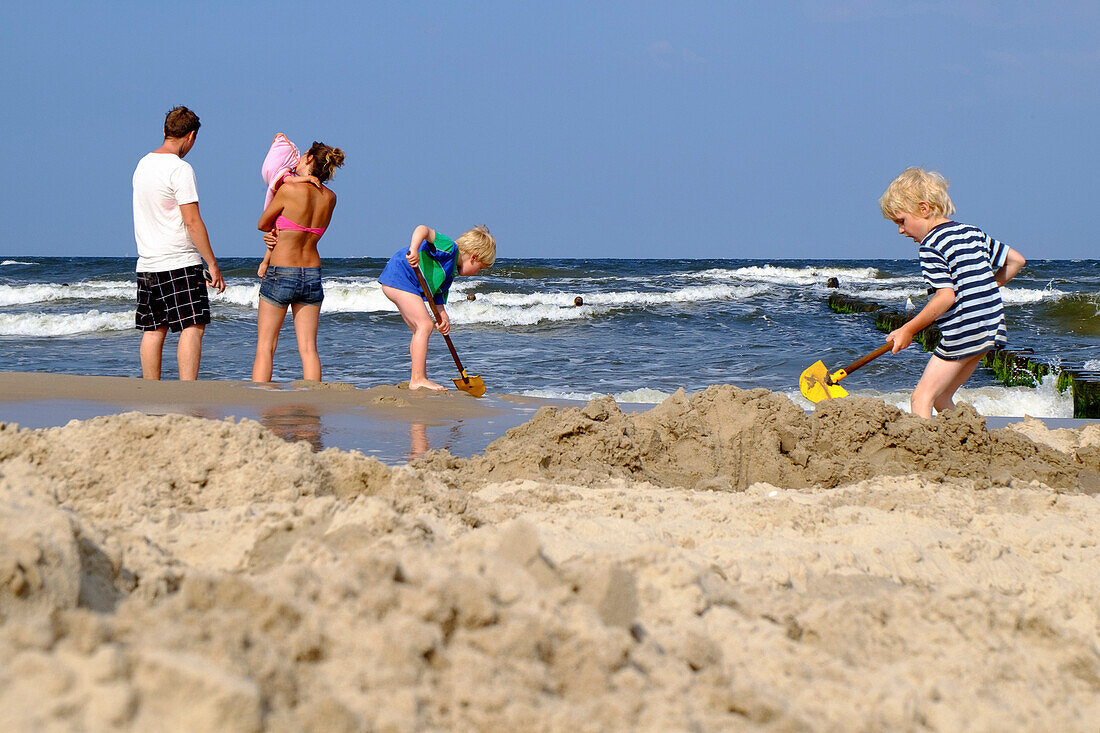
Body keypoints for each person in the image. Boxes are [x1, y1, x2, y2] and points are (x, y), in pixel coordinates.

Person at [879, 167, 1026, 418]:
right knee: (942, 398)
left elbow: (946, 296)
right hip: (990, 326)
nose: (901, 231)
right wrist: (983, 286)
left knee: (921, 398)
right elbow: (1016, 261)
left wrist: (908, 329)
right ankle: (966, 438)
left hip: (964, 329)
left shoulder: (931, 245)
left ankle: (925, 451)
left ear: (923, 209)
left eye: (902, 221)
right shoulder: (972, 232)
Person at [133, 105, 226, 380]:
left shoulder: (142, 164)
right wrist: (212, 263)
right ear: (191, 136)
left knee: (153, 329)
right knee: (193, 325)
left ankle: (151, 390)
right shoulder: (180, 168)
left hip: (147, 262)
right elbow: (192, 221)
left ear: (164, 131)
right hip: (179, 261)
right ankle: (188, 390)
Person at [251, 141, 345, 383]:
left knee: (265, 347)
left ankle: (261, 404)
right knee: (308, 349)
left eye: (302, 156)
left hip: (282, 271)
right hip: (312, 273)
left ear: (311, 158)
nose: (297, 161)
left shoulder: (289, 190)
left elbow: (263, 223)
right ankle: (312, 412)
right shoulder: (331, 198)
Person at [379, 225, 496, 391]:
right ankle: (418, 379)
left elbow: (437, 297)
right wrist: (413, 250)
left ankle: (416, 376)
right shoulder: (449, 248)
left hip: (397, 282)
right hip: (400, 276)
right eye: (480, 268)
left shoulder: (449, 274)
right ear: (474, 257)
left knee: (419, 329)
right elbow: (423, 229)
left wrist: (443, 317)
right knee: (425, 326)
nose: (477, 272)